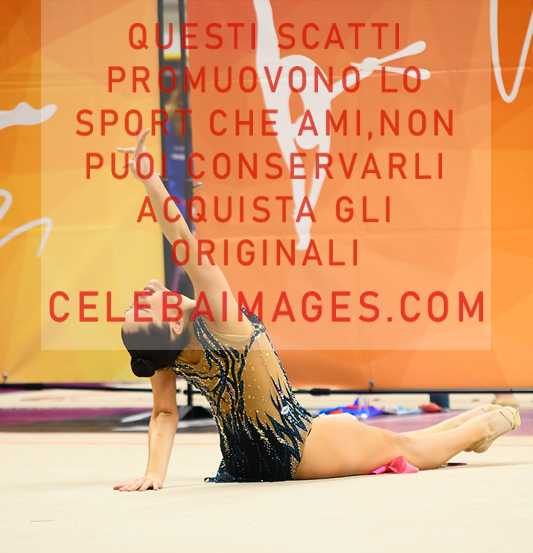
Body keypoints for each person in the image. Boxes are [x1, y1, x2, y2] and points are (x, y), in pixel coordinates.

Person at [113, 131, 521, 491]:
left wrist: (154, 474)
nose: (141, 296)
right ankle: (489, 424)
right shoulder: (220, 320)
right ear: (172, 324)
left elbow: (164, 413)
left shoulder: (167, 354)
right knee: (403, 448)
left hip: (242, 462)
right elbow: (182, 240)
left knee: (386, 440)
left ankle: (471, 423)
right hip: (295, 445)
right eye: (143, 308)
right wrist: (151, 181)